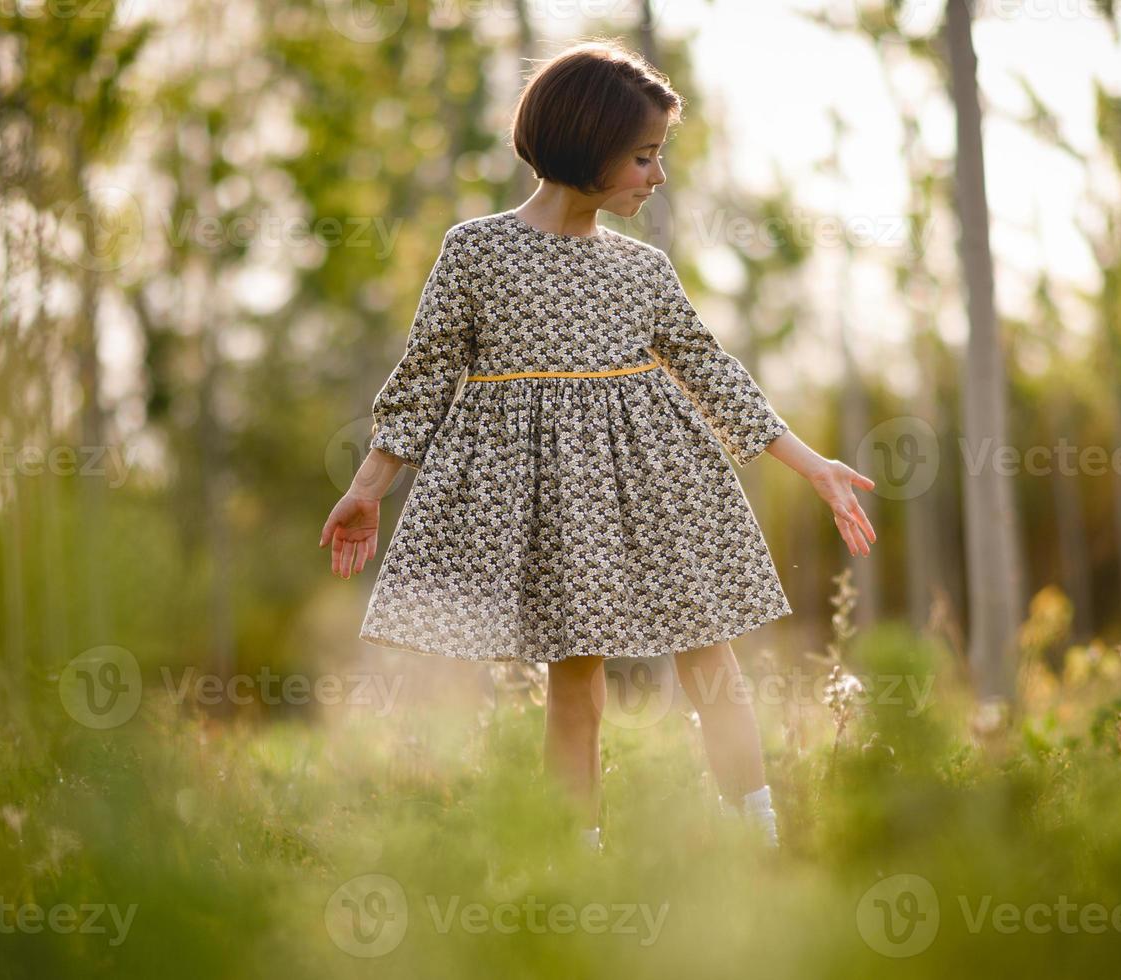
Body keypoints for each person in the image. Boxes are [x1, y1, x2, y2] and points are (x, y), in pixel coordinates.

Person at [319, 39, 876, 855]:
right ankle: (576, 857)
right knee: (573, 681)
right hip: (551, 504)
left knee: (707, 654)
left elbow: (711, 374)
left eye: (659, 157)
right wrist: (369, 486)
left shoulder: (643, 271)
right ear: (587, 146)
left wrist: (812, 464)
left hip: (659, 483)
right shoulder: (475, 251)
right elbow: (423, 380)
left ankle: (756, 838)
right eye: (643, 157)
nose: (657, 176)